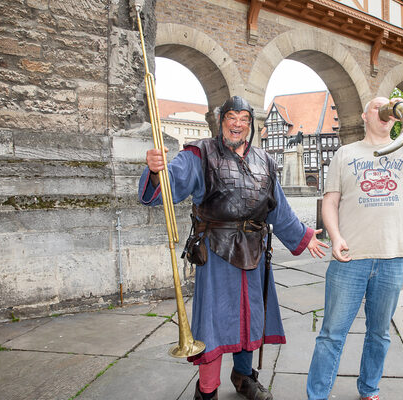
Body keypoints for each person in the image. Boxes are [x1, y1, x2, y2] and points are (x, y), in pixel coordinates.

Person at [139, 95, 328, 400]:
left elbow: (277, 208)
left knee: (251, 316)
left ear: (250, 125)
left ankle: (244, 377)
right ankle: (207, 390)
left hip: (254, 249)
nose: (237, 124)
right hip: (215, 252)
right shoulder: (199, 153)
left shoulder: (264, 161)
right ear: (221, 121)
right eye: (231, 117)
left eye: (243, 118)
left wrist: (304, 237)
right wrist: (156, 171)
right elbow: (171, 185)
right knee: (214, 322)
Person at [306, 96, 403, 400]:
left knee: (379, 333)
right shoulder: (345, 153)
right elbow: (331, 201)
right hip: (350, 257)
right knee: (331, 334)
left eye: (389, 107)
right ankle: (317, 396)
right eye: (377, 106)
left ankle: (369, 390)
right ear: (365, 115)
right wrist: (335, 237)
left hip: (393, 258)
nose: (385, 110)